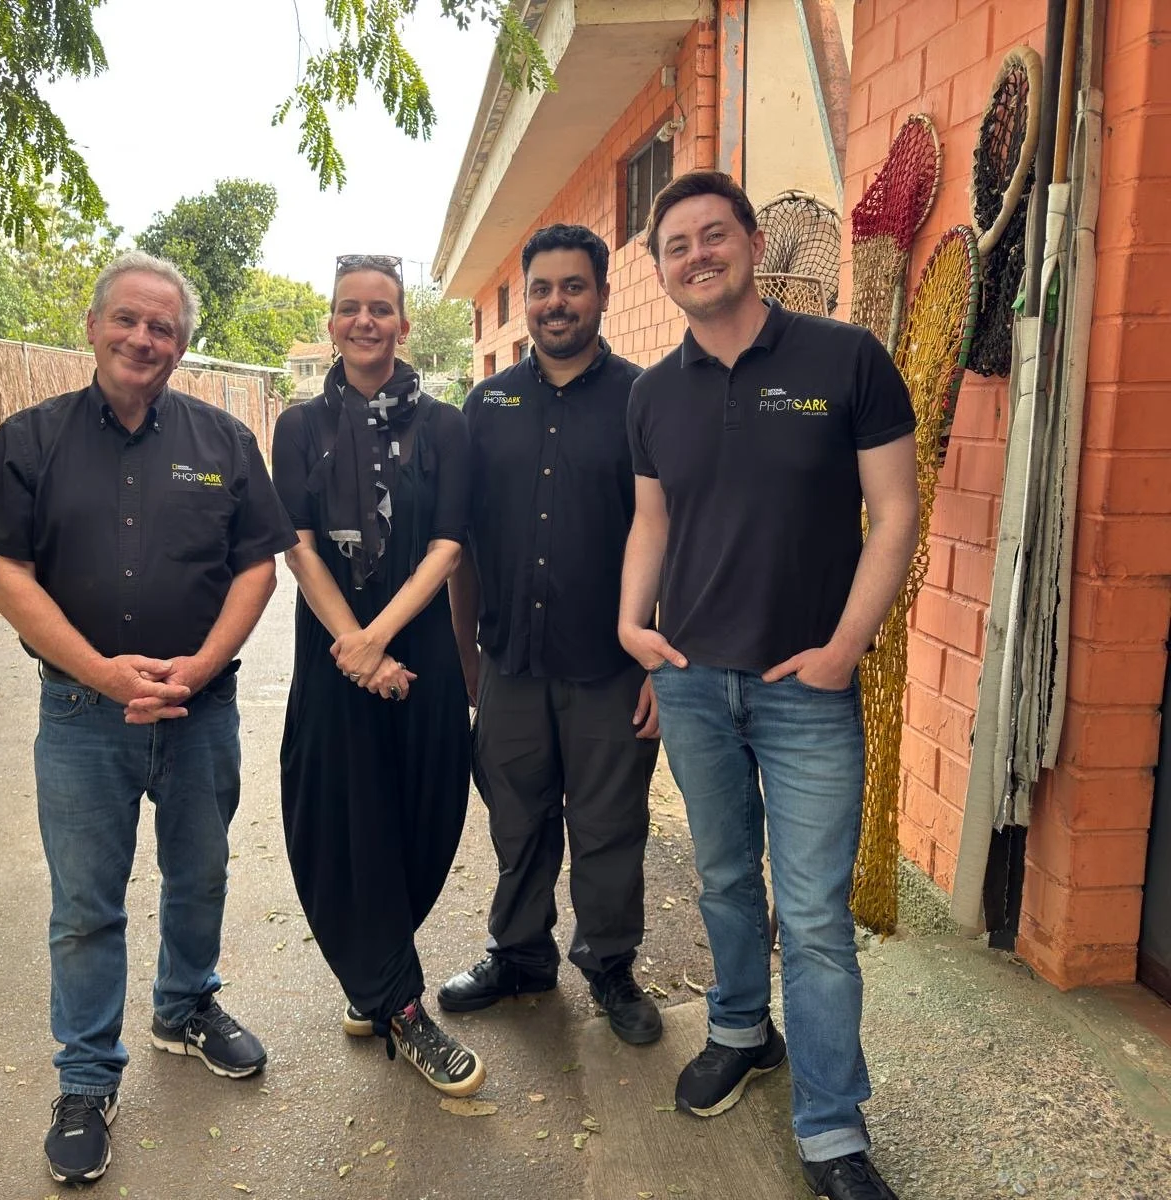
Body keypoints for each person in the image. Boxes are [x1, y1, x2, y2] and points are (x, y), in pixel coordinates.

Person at [0, 251, 298, 1185]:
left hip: (201, 711)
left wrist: (202, 666)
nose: (145, 339)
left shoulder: (225, 441)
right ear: (94, 328)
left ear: (183, 345)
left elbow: (259, 567)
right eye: (129, 321)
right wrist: (103, 675)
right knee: (85, 908)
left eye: (164, 327)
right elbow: (7, 577)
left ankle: (185, 1010)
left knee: (200, 876)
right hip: (78, 716)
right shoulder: (30, 440)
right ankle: (86, 1078)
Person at [620, 171, 918, 1200]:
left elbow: (894, 513)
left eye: (713, 235)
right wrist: (634, 626)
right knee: (720, 881)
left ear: (751, 241)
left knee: (817, 916)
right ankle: (742, 1029)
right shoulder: (651, 394)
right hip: (697, 683)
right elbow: (652, 520)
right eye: (675, 246)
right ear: (659, 271)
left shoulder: (846, 360)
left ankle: (833, 1131)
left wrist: (843, 649)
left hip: (806, 688)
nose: (696, 255)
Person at [440, 223, 664, 1048]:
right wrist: (469, 660)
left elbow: (670, 533)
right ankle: (521, 954)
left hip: (610, 668)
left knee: (608, 826)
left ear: (603, 294)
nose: (555, 303)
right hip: (511, 664)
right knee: (515, 819)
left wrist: (661, 663)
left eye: (573, 287)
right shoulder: (486, 406)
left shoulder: (645, 399)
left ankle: (609, 963)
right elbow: (457, 548)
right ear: (524, 300)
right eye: (541, 289)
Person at [273, 253, 482, 1097]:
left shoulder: (445, 425)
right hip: (331, 653)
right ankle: (399, 1004)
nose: (365, 321)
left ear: (403, 324)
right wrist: (355, 644)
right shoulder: (297, 427)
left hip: (421, 650)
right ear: (331, 321)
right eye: (350, 307)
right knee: (342, 821)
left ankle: (373, 970)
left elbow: (449, 543)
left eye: (382, 308)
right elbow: (298, 542)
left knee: (427, 815)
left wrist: (382, 638)